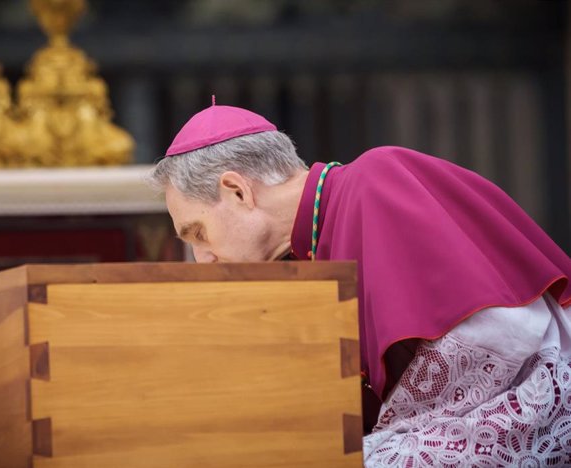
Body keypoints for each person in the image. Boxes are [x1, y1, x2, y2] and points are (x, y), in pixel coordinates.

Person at [149, 100, 571, 466]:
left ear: (238, 191)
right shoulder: (299, 258)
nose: (202, 260)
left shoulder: (378, 180)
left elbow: (501, 353)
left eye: (198, 234)